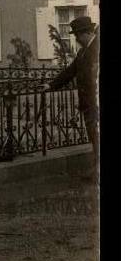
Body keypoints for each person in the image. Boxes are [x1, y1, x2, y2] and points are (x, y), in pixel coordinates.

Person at [44, 16, 99, 172]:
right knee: (95, 138)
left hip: (95, 102)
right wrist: (51, 85)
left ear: (86, 33)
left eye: (77, 35)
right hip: (88, 103)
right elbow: (70, 71)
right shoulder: (83, 51)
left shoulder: (97, 48)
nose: (76, 39)